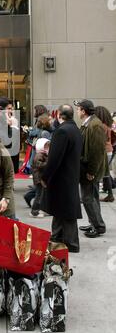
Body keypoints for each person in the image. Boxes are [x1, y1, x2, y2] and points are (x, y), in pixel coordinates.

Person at [41, 105, 83, 252]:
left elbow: (54, 158)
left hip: (61, 178)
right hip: (70, 175)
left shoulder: (62, 131)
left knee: (66, 211)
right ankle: (57, 237)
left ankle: (71, 243)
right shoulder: (75, 130)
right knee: (61, 209)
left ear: (59, 114)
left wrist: (45, 176)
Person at [74, 100, 108, 238]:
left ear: (83, 111)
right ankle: (94, 223)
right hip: (87, 167)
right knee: (92, 197)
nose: (77, 111)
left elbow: (97, 151)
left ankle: (98, 226)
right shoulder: (89, 123)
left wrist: (91, 172)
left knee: (88, 198)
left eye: (78, 109)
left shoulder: (95, 125)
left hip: (90, 168)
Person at [94, 106, 115, 202]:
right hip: (108, 150)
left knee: (99, 173)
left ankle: (96, 195)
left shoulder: (101, 126)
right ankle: (110, 195)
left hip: (104, 151)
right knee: (106, 174)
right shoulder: (107, 124)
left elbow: (99, 140)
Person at [30, 138, 50, 218]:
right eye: (45, 146)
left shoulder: (43, 154)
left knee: (41, 195)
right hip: (39, 179)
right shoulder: (39, 155)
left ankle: (43, 209)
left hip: (41, 178)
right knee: (39, 195)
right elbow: (38, 165)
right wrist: (47, 163)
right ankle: (34, 211)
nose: (47, 148)